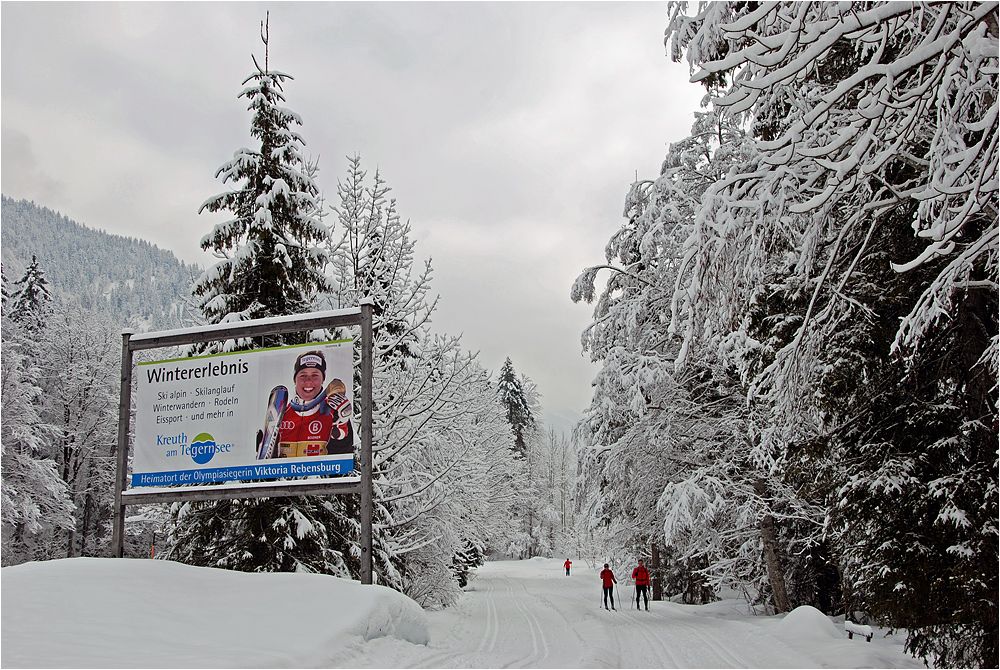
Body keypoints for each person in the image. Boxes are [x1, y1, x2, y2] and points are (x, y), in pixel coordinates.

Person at [277, 350, 354, 457]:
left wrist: (341, 426)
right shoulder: (281, 413)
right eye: (303, 375)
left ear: (323, 380)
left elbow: (342, 459)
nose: (308, 381)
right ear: (295, 380)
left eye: (315, 375)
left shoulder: (334, 412)